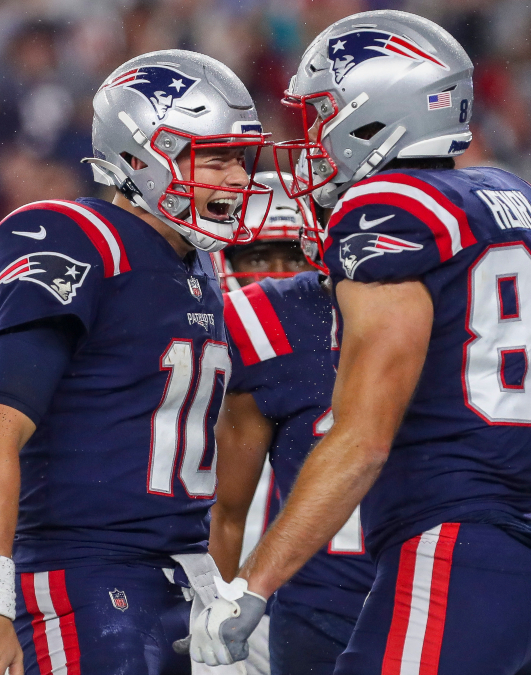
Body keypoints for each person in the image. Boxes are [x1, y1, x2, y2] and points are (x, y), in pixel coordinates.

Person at [185, 11, 531, 675]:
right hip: (523, 562)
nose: (310, 139)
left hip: (449, 550)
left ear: (375, 116)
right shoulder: (511, 200)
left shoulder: (388, 211)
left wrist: (250, 588)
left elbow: (361, 440)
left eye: (321, 117)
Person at [0, 49, 273, 675]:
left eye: (240, 159)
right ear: (141, 156)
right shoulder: (74, 236)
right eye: (215, 158)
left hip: (178, 580)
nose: (237, 179)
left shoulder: (194, 265)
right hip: (83, 578)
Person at [209, 173, 373, 675]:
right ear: (225, 262)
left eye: (293, 260)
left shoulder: (340, 347)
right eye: (258, 259)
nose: (278, 278)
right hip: (250, 603)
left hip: (324, 599)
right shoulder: (198, 360)